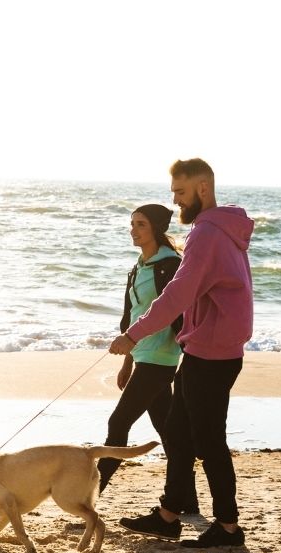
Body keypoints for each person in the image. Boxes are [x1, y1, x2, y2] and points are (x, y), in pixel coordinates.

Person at [108, 158, 254, 548]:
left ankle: (227, 527)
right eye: (173, 192)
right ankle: (169, 516)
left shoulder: (208, 233)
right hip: (207, 344)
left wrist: (133, 336)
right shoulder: (223, 229)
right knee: (176, 430)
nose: (175, 201)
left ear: (203, 189)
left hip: (213, 349)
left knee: (209, 440)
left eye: (181, 192)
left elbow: (177, 294)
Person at [96, 204, 189, 504]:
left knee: (118, 423)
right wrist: (128, 362)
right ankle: (187, 499)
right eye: (132, 223)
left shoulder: (171, 265)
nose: (133, 230)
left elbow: (176, 311)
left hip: (162, 357)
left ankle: (91, 496)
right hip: (143, 357)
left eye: (141, 225)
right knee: (168, 432)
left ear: (157, 229)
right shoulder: (138, 267)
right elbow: (132, 317)